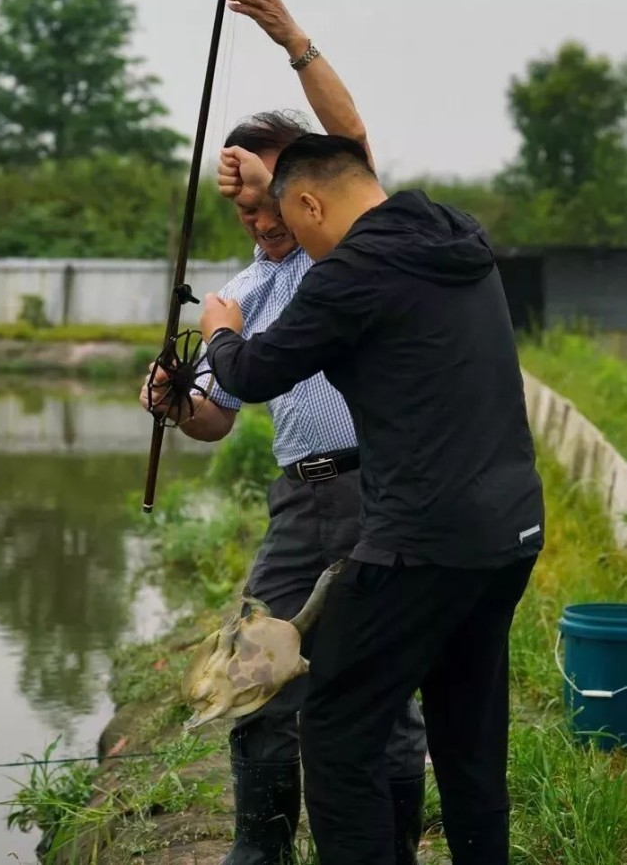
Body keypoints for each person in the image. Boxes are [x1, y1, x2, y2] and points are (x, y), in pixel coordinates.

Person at [139, 0, 427, 864]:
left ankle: (390, 845)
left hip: (380, 490)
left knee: (376, 681)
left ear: (301, 189)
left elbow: (349, 144)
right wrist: (175, 405)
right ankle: (257, 848)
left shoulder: (341, 247)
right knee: (257, 672)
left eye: (262, 198)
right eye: (236, 206)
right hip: (298, 504)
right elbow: (216, 419)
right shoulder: (245, 290)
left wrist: (287, 36)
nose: (252, 216)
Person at [198, 133, 545, 865]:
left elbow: (256, 371)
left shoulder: (351, 268)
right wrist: (272, 180)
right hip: (509, 531)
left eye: (296, 224)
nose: (298, 246)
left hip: (418, 542)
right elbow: (336, 153)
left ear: (311, 204)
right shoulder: (453, 235)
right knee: (467, 736)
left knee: (336, 728)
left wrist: (219, 331)